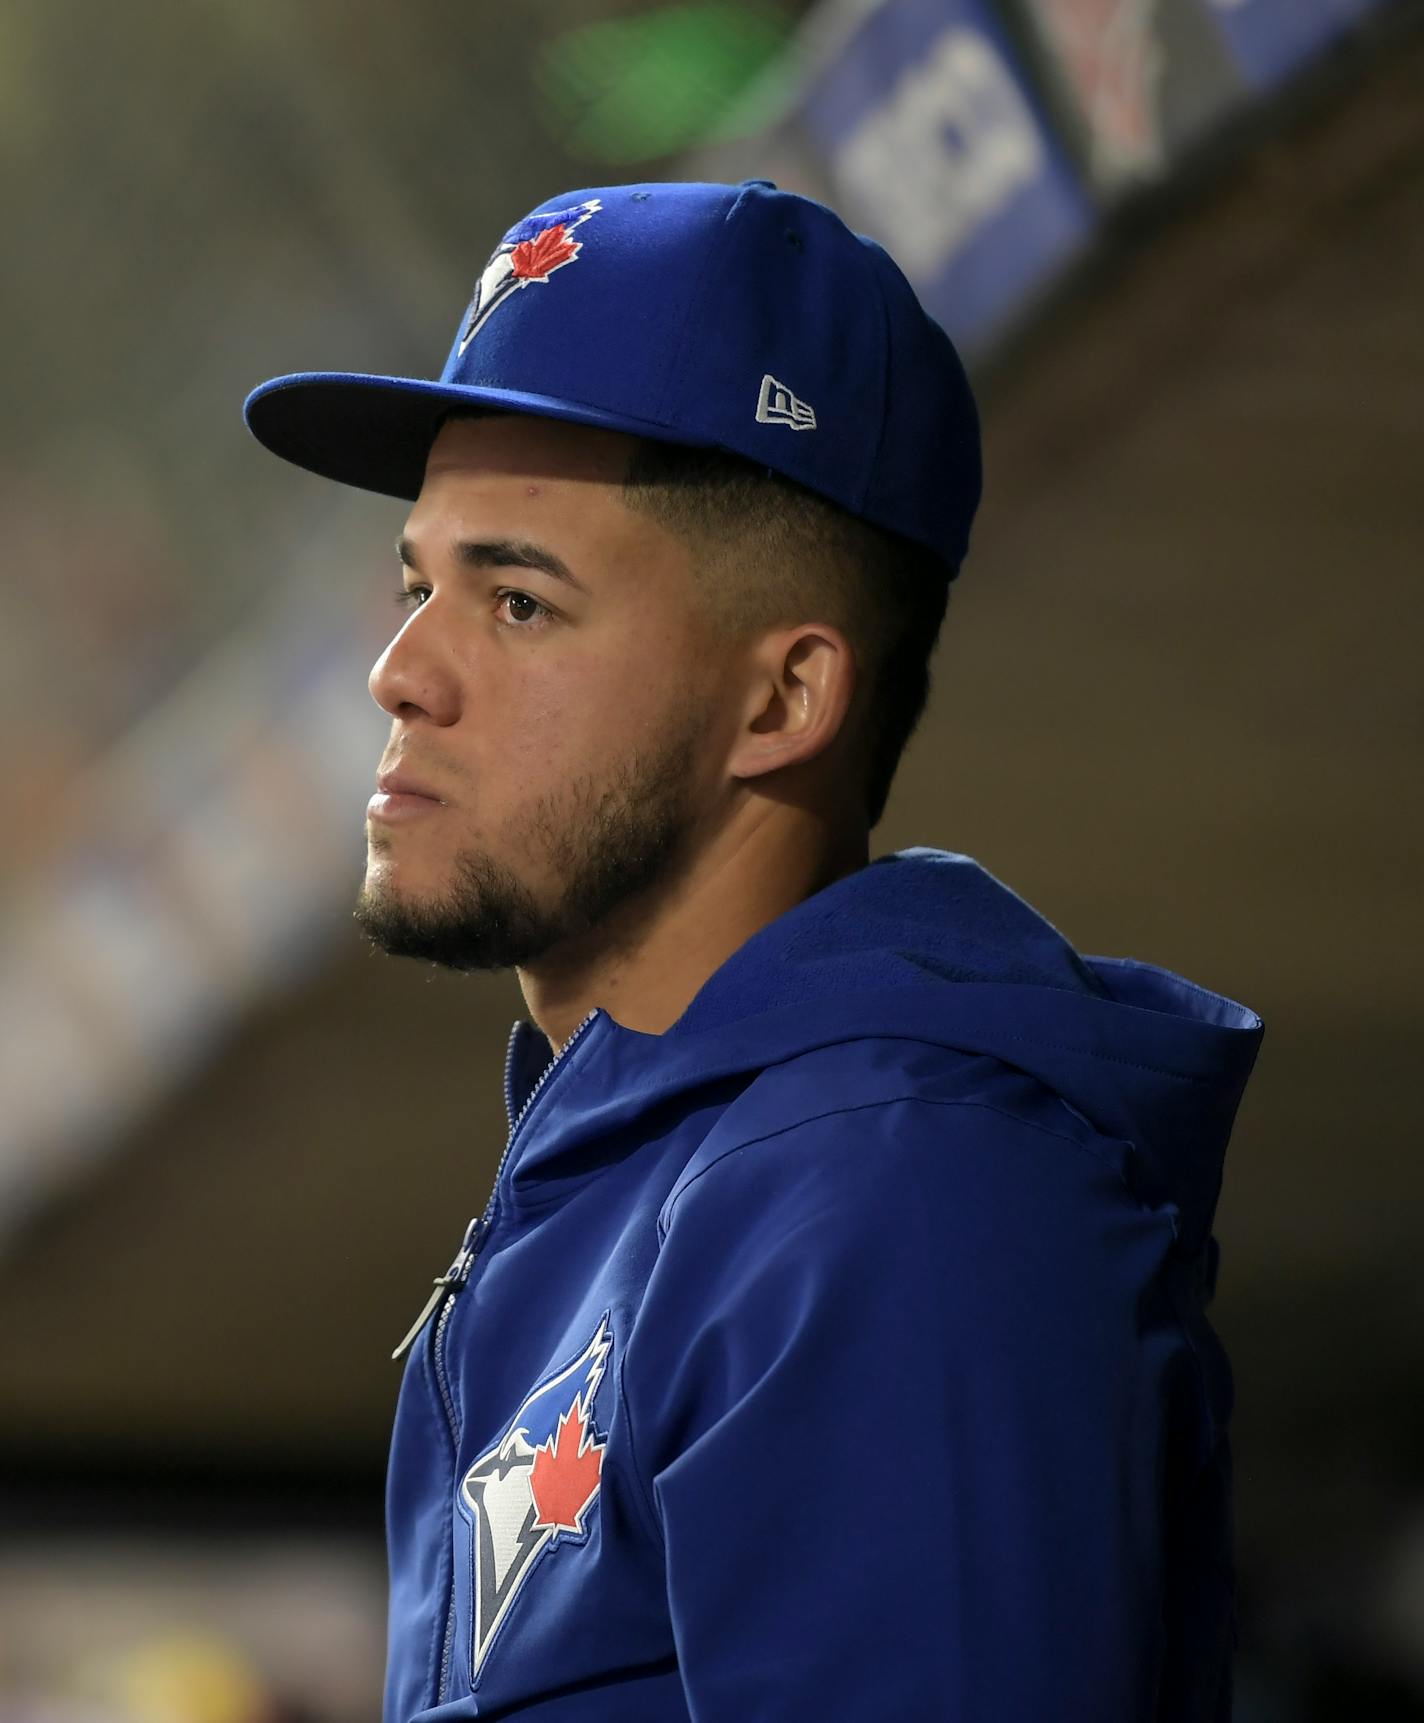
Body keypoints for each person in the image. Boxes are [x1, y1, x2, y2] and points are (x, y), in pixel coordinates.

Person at [244, 179, 1264, 1722]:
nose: (401, 674)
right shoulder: (636, 1194)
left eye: (518, 602)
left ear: (784, 701)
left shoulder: (900, 1194)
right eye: (417, 585)